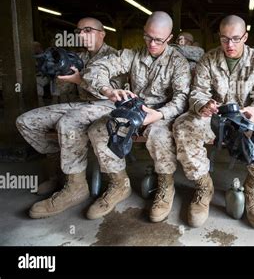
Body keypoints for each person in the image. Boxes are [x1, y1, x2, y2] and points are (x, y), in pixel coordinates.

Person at [173, 15, 254, 229]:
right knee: (183, 125)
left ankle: (253, 188)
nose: (230, 45)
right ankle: (203, 186)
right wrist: (203, 105)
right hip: (216, 119)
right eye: (225, 39)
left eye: (236, 39)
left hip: (248, 118)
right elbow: (197, 93)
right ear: (219, 37)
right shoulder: (208, 59)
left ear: (245, 37)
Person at [82, 12, 191, 221]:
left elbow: (182, 98)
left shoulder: (178, 63)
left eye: (158, 39)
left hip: (162, 113)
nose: (151, 43)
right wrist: (108, 91)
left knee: (158, 136)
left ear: (169, 38)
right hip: (135, 110)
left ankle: (165, 187)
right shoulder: (132, 55)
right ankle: (118, 184)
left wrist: (159, 114)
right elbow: (97, 68)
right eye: (148, 37)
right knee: (98, 129)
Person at [16, 17, 124, 218]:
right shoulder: (78, 57)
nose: (82, 35)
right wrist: (55, 70)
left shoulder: (116, 57)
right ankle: (60, 171)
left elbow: (114, 92)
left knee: (67, 122)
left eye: (88, 30)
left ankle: (76, 187)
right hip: (82, 105)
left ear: (102, 33)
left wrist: (80, 79)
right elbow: (65, 91)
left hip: (107, 107)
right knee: (27, 122)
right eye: (79, 31)